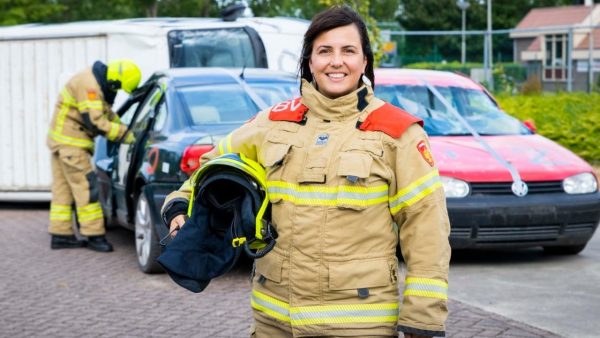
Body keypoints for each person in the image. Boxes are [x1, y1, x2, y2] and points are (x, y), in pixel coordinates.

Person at [162, 5, 450, 338]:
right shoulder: (272, 123)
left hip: (357, 325)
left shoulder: (397, 133)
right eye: (324, 51)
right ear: (310, 61)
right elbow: (211, 168)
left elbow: (426, 227)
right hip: (274, 321)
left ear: (365, 61)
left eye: (348, 51)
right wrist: (182, 206)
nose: (336, 61)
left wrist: (423, 318)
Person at [48, 59, 141, 252]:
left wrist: (124, 125)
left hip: (62, 144)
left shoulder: (94, 81)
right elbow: (94, 120)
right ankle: (94, 236)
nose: (115, 92)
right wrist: (124, 135)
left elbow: (106, 113)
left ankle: (61, 235)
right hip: (72, 145)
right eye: (118, 88)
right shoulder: (89, 85)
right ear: (115, 81)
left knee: (63, 190)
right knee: (87, 188)